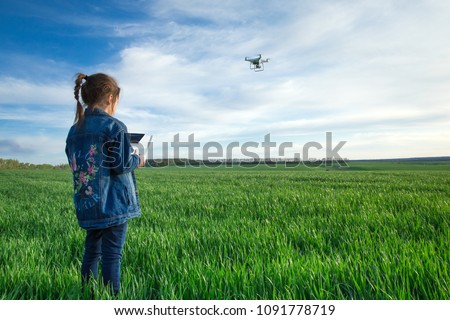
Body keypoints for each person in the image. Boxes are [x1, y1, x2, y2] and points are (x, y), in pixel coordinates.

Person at [65, 73, 144, 297]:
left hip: (88, 202)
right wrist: (136, 158)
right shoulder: (115, 127)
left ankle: (87, 295)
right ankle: (112, 302)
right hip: (114, 204)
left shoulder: (74, 130)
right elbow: (121, 164)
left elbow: (73, 161)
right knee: (112, 255)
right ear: (110, 98)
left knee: (91, 252)